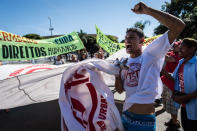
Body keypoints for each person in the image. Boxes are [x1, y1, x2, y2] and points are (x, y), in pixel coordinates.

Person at [115, 2, 185, 131]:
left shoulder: (150, 53)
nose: (127, 41)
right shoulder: (125, 62)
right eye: (125, 38)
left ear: (142, 41)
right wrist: (117, 74)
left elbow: (178, 26)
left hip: (143, 121)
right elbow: (120, 91)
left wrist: (148, 11)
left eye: (131, 38)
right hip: (125, 116)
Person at [172, 38, 197, 131]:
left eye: (182, 47)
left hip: (194, 107)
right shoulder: (181, 62)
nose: (179, 49)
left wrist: (184, 98)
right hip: (184, 106)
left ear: (192, 49)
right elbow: (175, 78)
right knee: (186, 127)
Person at [161, 41, 182, 129]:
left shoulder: (179, 56)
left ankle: (175, 122)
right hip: (166, 82)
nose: (174, 46)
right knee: (167, 102)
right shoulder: (171, 53)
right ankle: (173, 119)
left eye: (176, 45)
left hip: (172, 84)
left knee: (173, 105)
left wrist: (158, 51)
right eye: (174, 45)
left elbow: (168, 58)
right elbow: (165, 55)